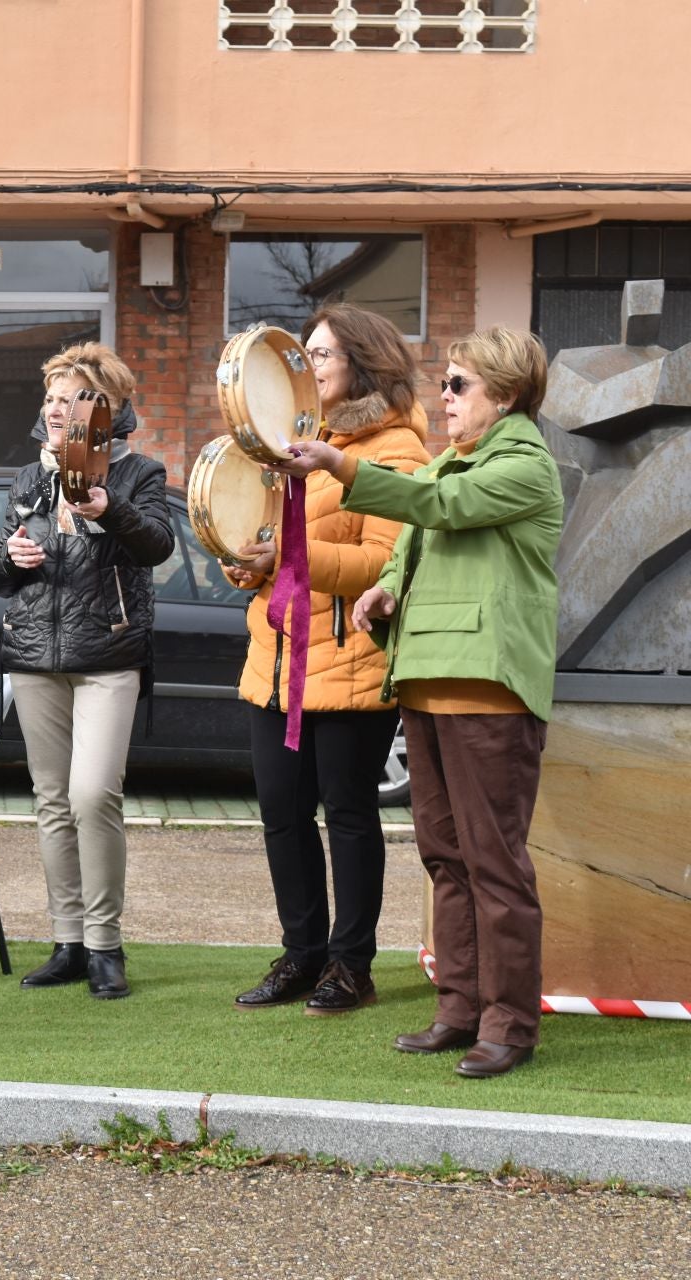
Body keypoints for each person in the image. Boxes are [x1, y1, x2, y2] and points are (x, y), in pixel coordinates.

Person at [277, 326, 562, 1079]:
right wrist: (384, 588)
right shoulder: (452, 460)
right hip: (427, 681)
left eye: (459, 384)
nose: (445, 396)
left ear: (506, 395)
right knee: (445, 856)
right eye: (444, 382)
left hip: (488, 690)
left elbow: (439, 506)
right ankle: (460, 1009)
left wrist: (340, 463)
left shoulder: (524, 464)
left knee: (494, 864)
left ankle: (510, 1024)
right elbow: (413, 542)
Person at [224, 305, 432, 1015]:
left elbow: (384, 562)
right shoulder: (291, 438)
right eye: (304, 355)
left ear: (363, 363)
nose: (307, 368)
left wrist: (288, 555)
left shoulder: (398, 449)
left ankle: (351, 965)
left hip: (350, 662)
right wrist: (246, 564)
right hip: (275, 661)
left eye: (321, 355)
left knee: (349, 816)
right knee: (282, 816)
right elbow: (265, 537)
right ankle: (301, 954)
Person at [0, 342, 172, 999]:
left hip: (109, 654)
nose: (56, 410)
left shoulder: (139, 473)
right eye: (51, 399)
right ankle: (67, 942)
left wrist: (106, 508)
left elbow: (157, 545)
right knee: (52, 801)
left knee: (93, 795)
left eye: (71, 399)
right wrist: (10, 557)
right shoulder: (28, 479)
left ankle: (104, 944)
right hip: (34, 654)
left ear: (106, 408)